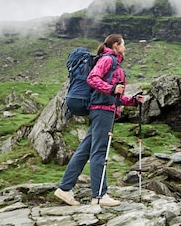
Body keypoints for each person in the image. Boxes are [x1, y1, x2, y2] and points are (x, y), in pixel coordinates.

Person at [55, 34, 145, 206]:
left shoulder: (112, 62)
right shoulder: (108, 60)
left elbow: (115, 95)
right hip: (103, 112)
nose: (125, 48)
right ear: (116, 45)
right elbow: (92, 79)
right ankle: (99, 195)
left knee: (84, 151)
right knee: (99, 152)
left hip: (101, 109)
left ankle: (64, 189)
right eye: (124, 45)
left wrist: (133, 100)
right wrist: (112, 88)